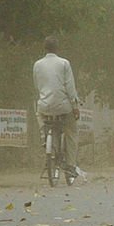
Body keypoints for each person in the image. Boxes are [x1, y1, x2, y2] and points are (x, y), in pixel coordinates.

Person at [32, 35, 81, 176]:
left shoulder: (37, 65)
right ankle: (71, 165)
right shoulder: (64, 63)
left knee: (39, 114)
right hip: (63, 107)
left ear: (44, 48)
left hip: (44, 106)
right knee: (72, 132)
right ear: (57, 48)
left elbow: (37, 86)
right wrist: (75, 106)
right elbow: (70, 88)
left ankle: (44, 137)